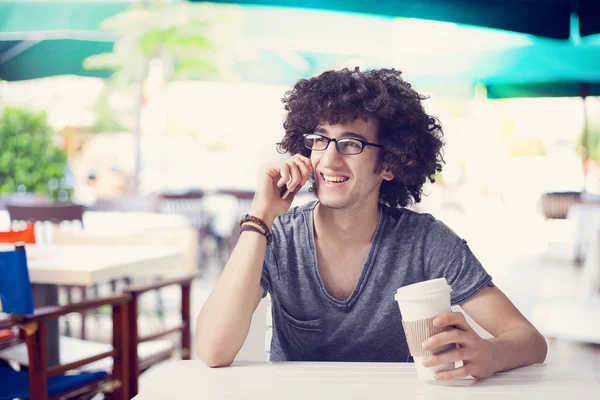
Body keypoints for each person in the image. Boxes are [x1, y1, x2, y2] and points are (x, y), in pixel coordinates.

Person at [195, 68, 547, 380]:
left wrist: (490, 355)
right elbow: (213, 351)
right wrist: (260, 215)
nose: (329, 160)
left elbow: (529, 339)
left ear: (390, 163)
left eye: (351, 143)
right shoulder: (278, 238)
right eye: (320, 139)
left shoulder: (425, 242)